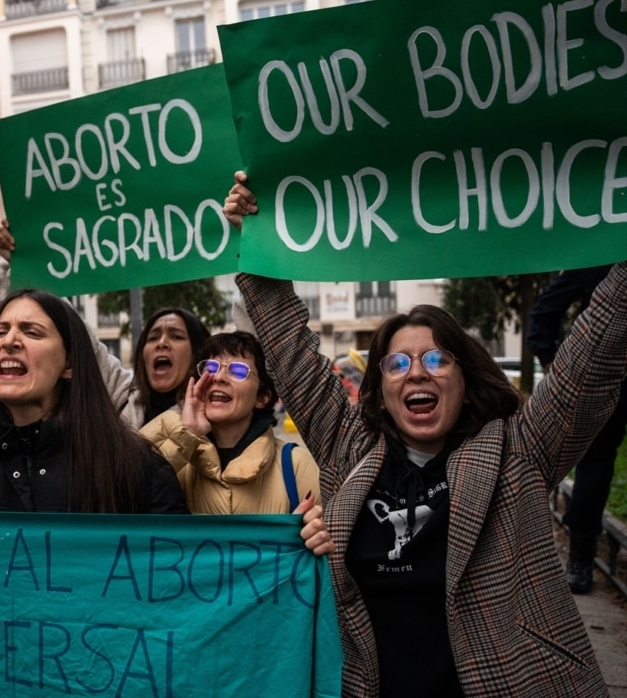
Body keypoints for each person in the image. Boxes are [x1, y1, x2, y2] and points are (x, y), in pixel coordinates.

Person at [225, 171, 623, 697]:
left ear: (465, 375)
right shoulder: (351, 448)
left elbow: (593, 353)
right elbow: (290, 348)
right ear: (381, 388)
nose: (417, 372)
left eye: (436, 358)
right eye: (396, 363)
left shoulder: (517, 451)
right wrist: (256, 242)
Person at [0, 289, 188, 513]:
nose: (10, 341)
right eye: (0, 332)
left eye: (31, 332)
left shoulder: (136, 469)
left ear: (69, 364)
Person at [0, 218, 208, 428]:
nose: (161, 343)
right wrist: (27, 264)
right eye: (152, 337)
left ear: (198, 356)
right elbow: (77, 333)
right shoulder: (122, 395)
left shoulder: (213, 409)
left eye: (176, 336)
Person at [526, 264, 627, 594]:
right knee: (594, 469)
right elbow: (543, 314)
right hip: (606, 385)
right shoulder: (602, 258)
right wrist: (553, 363)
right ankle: (581, 558)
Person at [142, 331, 320, 514]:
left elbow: (328, 537)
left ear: (262, 397)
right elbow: (125, 494)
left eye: (237, 371)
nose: (218, 377)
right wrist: (186, 434)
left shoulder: (297, 465)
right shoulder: (179, 462)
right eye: (210, 368)